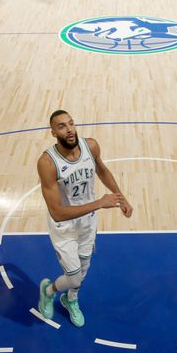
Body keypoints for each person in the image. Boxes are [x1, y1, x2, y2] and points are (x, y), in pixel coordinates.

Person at [36, 110, 132, 327]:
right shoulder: (47, 163)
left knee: (84, 268)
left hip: (88, 223)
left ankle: (71, 300)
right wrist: (99, 203)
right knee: (74, 276)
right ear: (53, 132)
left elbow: (102, 170)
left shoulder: (91, 146)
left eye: (71, 123)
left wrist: (121, 198)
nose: (69, 129)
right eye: (62, 126)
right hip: (64, 228)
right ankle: (49, 290)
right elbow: (56, 212)